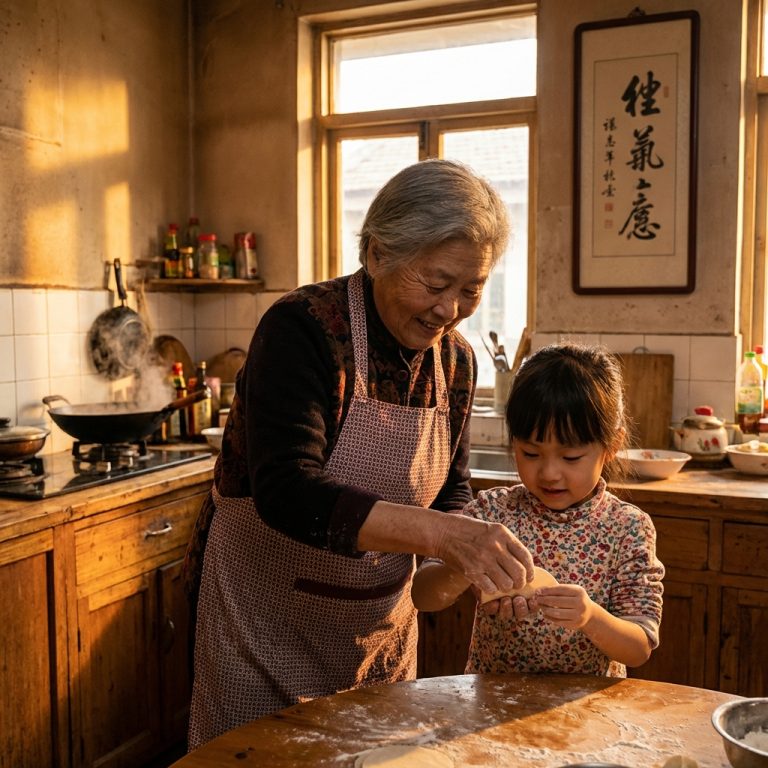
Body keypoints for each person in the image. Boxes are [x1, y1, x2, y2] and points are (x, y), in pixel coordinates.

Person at [184, 158, 535, 749]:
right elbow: (288, 490)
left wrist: (468, 567)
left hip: (378, 638)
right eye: (435, 283)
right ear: (376, 254)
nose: (449, 309)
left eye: (472, 288)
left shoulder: (456, 361)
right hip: (262, 628)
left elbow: (451, 491)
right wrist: (443, 537)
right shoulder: (303, 329)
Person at [411, 342, 665, 678]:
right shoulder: (491, 513)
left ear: (611, 446)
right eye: (530, 453)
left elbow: (639, 647)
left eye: (570, 457)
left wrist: (590, 617)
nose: (548, 473)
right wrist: (466, 565)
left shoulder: (627, 528)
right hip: (494, 702)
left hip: (586, 712)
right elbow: (424, 595)